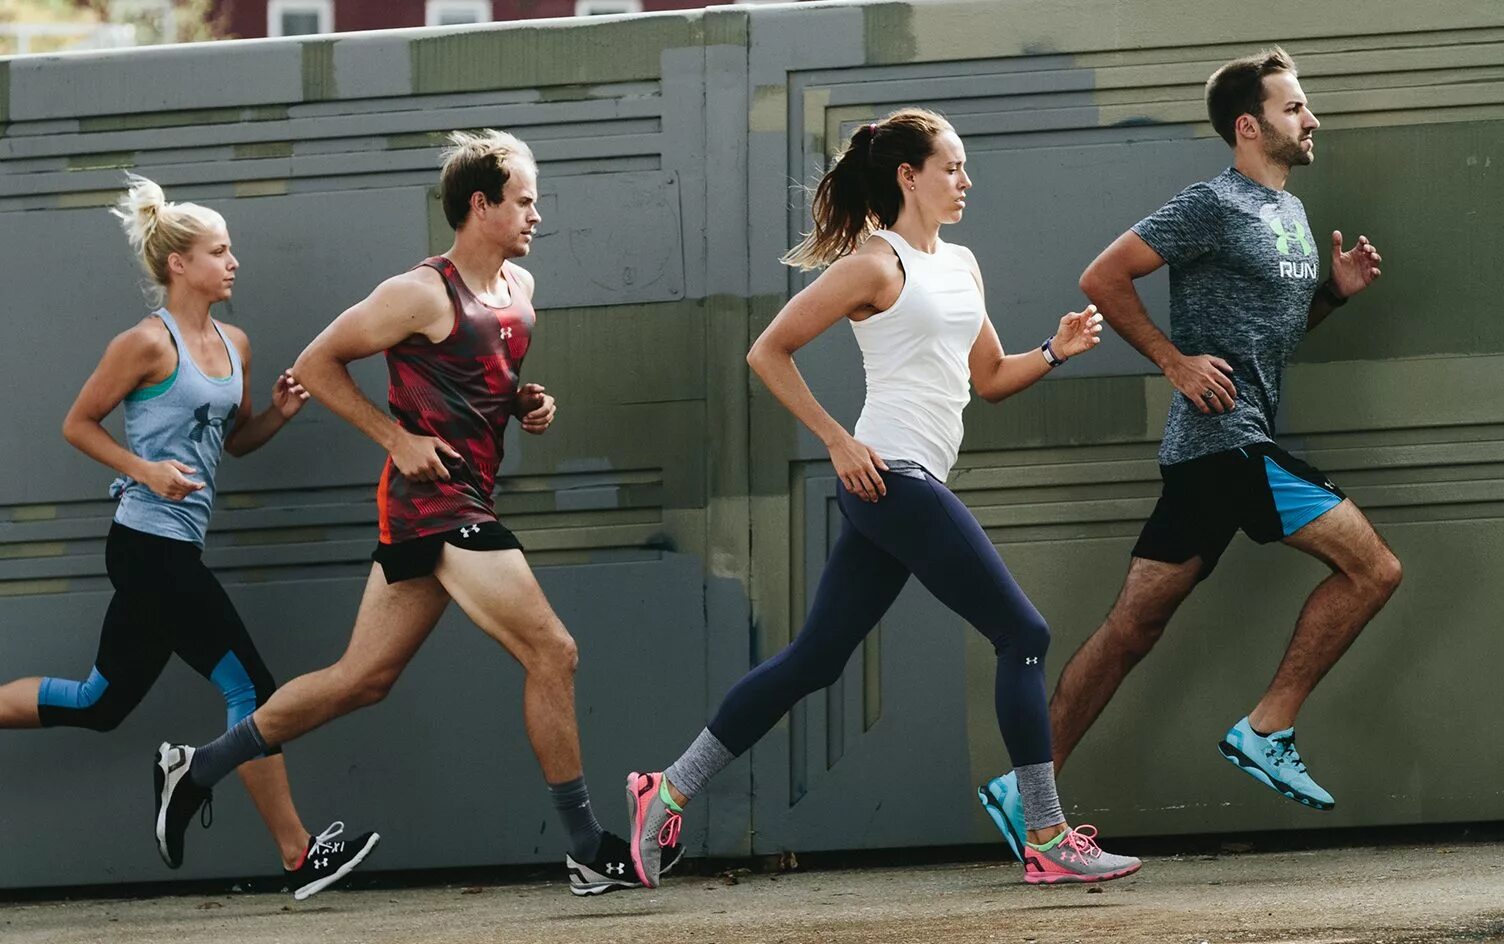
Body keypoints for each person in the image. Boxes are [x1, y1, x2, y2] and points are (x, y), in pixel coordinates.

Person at [626, 108, 1141, 888]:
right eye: (952, 167)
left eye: (964, 168)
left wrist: (1053, 351)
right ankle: (1046, 833)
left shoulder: (961, 265)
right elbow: (768, 351)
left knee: (815, 660)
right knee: (1024, 633)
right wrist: (838, 438)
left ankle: (665, 789)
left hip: (913, 479)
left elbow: (991, 378)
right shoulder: (875, 263)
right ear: (908, 176)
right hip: (890, 475)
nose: (965, 180)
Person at [152, 130, 675, 898]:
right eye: (524, 200)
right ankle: (585, 846)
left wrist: (525, 402)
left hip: (461, 499)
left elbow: (483, 381)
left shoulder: (520, 292)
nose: (537, 215)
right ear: (480, 205)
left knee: (360, 680)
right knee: (553, 651)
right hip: (436, 502)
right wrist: (394, 437)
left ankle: (197, 769)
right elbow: (316, 366)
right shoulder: (420, 293)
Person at [979, 47, 1396, 859]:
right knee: (1375, 569)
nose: (1311, 119)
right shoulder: (1212, 203)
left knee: (1132, 629)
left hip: (1211, 454)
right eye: (1295, 108)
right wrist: (1173, 361)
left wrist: (1331, 298)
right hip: (1228, 442)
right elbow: (1104, 276)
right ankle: (1267, 728)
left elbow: (1267, 337)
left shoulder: (1293, 215)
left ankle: (1021, 788)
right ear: (1250, 125)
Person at [0, 174, 376, 900]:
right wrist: (145, 470)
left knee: (97, 704)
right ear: (180, 264)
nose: (233, 262)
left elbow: (232, 446)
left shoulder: (236, 343)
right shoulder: (144, 344)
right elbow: (77, 425)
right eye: (219, 250)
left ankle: (210, 790)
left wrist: (278, 415)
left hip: (175, 548)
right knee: (252, 688)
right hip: (145, 546)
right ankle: (298, 857)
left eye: (232, 250)